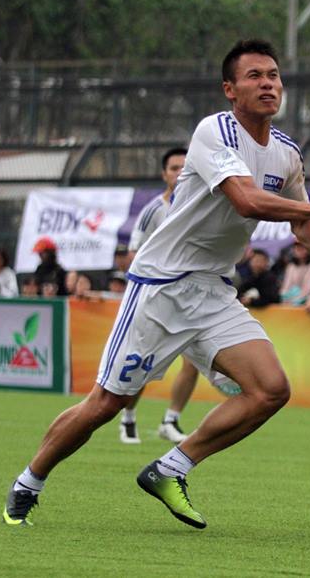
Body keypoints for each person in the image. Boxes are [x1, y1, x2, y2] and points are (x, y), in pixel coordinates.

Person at [2, 38, 310, 529]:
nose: (268, 84)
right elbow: (246, 201)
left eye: (274, 75)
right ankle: (28, 483)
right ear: (230, 89)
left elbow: (305, 231)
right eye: (255, 76)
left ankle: (171, 467)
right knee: (106, 404)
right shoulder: (213, 131)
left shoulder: (286, 153)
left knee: (270, 390)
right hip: (161, 286)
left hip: (214, 290)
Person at [120, 146, 226, 445]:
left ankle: (171, 420)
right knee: (143, 361)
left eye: (184, 167)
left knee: (191, 364)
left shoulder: (201, 205)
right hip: (156, 296)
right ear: (164, 174)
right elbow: (133, 253)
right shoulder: (153, 210)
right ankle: (128, 418)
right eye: (173, 168)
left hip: (191, 299)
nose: (179, 173)